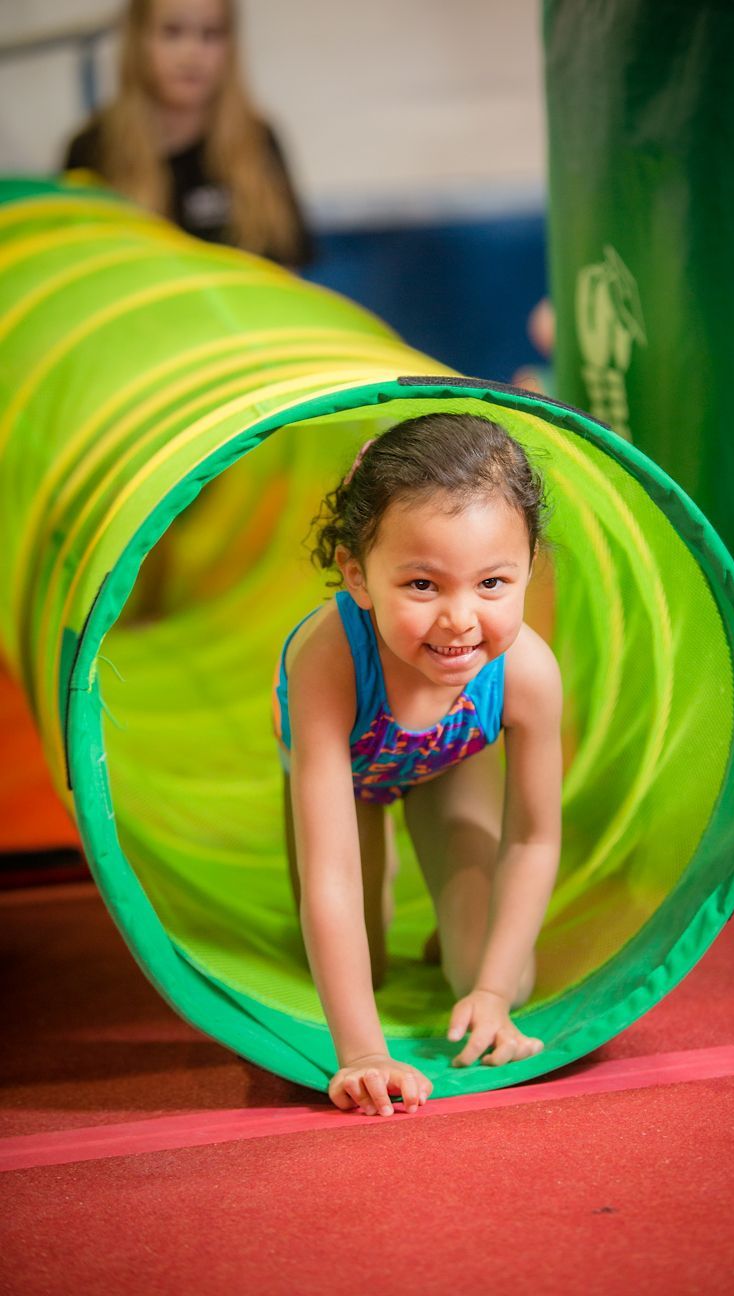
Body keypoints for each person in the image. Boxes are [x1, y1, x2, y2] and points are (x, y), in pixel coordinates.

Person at [272, 413, 563, 1117]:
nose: (461, 619)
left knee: (504, 975)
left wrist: (490, 995)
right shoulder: (328, 659)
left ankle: (451, 916)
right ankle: (397, 885)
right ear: (357, 576)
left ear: (528, 567)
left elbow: (532, 838)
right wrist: (364, 1056)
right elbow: (330, 872)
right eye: (424, 586)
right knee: (358, 966)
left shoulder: (526, 671)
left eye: (493, 582)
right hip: (347, 780)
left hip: (446, 769)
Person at [63, 0, 312, 267]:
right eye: (172, 32)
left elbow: (290, 270)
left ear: (231, 46)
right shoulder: (93, 150)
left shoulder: (259, 142)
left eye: (211, 33)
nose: (192, 54)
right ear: (138, 39)